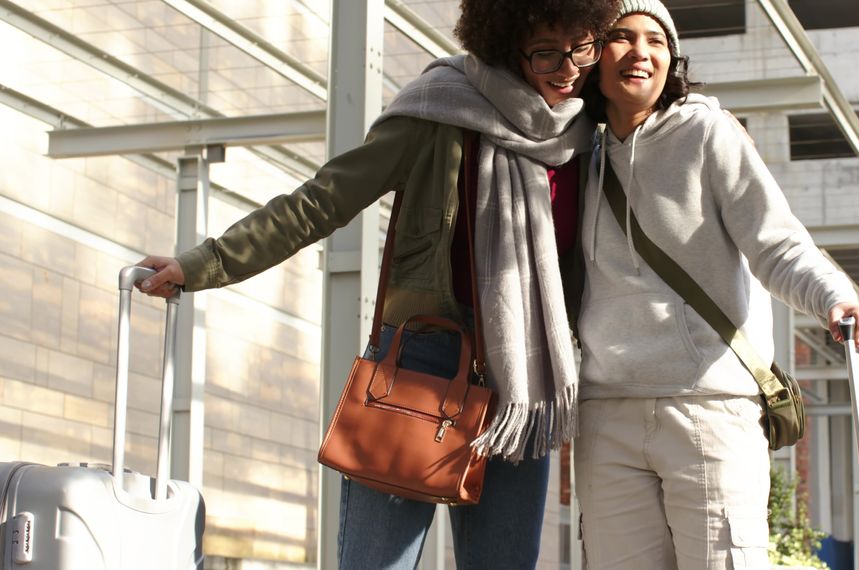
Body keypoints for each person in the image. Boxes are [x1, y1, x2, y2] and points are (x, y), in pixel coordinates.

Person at [135, 0, 620, 567]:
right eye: (545, 52)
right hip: (420, 360)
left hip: (522, 380)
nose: (567, 70)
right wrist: (202, 264)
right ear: (504, 44)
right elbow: (321, 202)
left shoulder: (593, 134)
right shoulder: (440, 109)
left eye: (581, 48)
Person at [571, 1, 859, 568]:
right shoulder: (572, 152)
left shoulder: (708, 133)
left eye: (656, 41)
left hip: (710, 407)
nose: (641, 52)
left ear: (673, 58)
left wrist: (834, 297)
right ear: (592, 53)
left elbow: (776, 243)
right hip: (607, 411)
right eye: (622, 36)